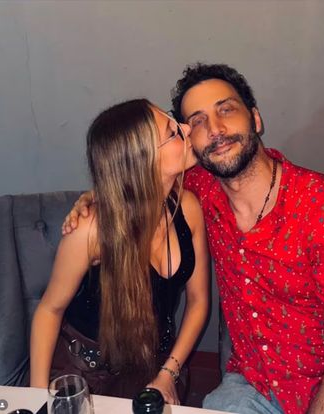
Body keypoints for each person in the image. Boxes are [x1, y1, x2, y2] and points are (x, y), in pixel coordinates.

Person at [64, 63, 324, 413]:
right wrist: (97, 196)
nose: (216, 130)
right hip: (254, 385)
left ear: (256, 119)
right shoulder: (199, 192)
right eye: (198, 121)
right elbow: (138, 177)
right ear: (189, 140)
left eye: (226, 110)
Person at [31, 99, 210, 405]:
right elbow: (49, 310)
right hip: (85, 376)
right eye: (172, 131)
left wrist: (169, 372)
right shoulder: (91, 230)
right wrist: (37, 398)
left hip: (158, 369)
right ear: (142, 160)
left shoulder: (188, 207)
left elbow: (198, 302)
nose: (186, 127)